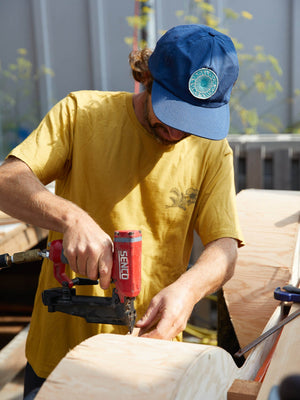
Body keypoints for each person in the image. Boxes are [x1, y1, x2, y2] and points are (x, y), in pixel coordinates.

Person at [0, 24, 244, 397]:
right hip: (60, 362)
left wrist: (188, 291)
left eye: (193, 121)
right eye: (172, 111)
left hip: (150, 360)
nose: (179, 132)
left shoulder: (211, 151)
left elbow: (224, 247)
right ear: (147, 77)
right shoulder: (81, 114)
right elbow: (7, 181)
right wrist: (72, 219)